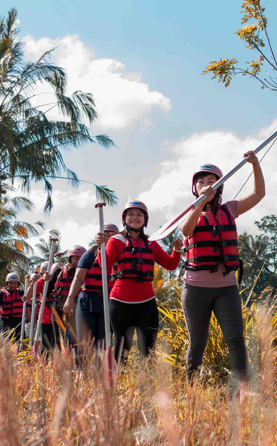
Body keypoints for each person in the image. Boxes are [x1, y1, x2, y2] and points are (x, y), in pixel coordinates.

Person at [180, 152, 264, 392]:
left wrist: (255, 165)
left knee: (236, 339)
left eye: (212, 181)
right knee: (198, 343)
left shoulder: (230, 209)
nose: (207, 185)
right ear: (194, 188)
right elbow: (187, 231)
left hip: (226, 288)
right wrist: (200, 204)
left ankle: (245, 390)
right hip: (196, 289)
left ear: (220, 187)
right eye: (202, 181)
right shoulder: (189, 213)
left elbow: (259, 194)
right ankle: (191, 390)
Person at [105, 200, 183, 360]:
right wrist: (101, 247)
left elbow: (170, 264)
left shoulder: (151, 243)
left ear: (145, 220)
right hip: (120, 302)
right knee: (122, 346)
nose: (135, 217)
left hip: (146, 302)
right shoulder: (116, 241)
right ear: (124, 219)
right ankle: (120, 380)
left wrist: (176, 250)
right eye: (131, 214)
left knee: (148, 348)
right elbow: (103, 265)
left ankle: (146, 381)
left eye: (139, 215)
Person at [64, 224, 119, 349]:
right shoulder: (90, 254)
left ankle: (102, 368)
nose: (109, 236)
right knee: (84, 343)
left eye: (112, 234)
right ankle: (82, 369)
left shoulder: (121, 253)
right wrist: (70, 299)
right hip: (87, 301)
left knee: (103, 344)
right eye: (106, 233)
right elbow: (78, 278)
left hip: (109, 302)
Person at [49, 247, 84, 348]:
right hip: (58, 308)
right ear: (69, 259)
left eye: (81, 259)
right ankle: (56, 360)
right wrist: (46, 280)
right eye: (76, 258)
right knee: (56, 337)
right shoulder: (58, 272)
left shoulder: (86, 273)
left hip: (75, 309)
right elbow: (48, 290)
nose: (79, 261)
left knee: (74, 337)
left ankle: (73, 359)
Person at [0, 273, 25, 343]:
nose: (12, 285)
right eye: (10, 283)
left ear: (17, 283)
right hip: (5, 320)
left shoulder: (21, 293)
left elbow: (28, 304)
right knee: (6, 339)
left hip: (18, 321)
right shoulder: (1, 294)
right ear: (7, 283)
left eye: (15, 283)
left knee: (19, 339)